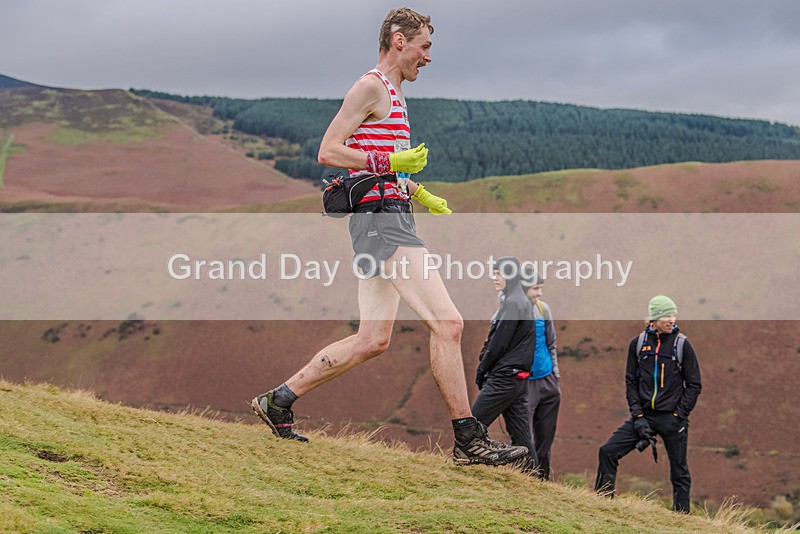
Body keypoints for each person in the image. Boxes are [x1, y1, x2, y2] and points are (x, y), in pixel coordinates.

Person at [251, 7, 527, 467]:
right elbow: (328, 150)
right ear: (399, 41)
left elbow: (387, 165)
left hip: (389, 213)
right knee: (449, 324)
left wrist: (422, 192)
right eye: (425, 46)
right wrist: (391, 167)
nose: (429, 57)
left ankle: (279, 400)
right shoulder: (371, 86)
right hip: (381, 221)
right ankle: (468, 439)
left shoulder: (395, 94)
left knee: (372, 340)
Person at [594, 295, 702, 513]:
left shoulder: (682, 345)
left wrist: (678, 416)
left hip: (673, 418)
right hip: (644, 417)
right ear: (654, 318)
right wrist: (638, 417)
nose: (672, 320)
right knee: (607, 451)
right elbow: (630, 381)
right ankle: (600, 505)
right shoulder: (638, 344)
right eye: (666, 316)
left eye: (673, 315)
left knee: (679, 471)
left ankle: (682, 518)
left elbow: (694, 385)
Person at [472, 257, 537, 472]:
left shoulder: (512, 303)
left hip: (504, 378)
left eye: (499, 273)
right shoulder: (522, 301)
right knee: (522, 437)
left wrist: (482, 370)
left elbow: (499, 343)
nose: (495, 278)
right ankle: (533, 479)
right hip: (519, 380)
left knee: (472, 425)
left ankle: (463, 469)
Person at [521, 273, 561, 480]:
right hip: (525, 384)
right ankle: (524, 481)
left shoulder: (543, 309)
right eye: (536, 288)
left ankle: (543, 483)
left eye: (540, 288)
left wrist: (555, 375)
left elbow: (551, 343)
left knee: (545, 441)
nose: (540, 293)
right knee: (524, 438)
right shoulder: (509, 312)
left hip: (548, 382)